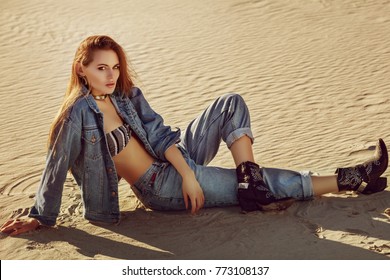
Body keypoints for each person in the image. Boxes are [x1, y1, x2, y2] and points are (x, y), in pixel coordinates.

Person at [1, 35, 388, 237]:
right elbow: (55, 167)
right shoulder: (78, 115)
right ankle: (350, 178)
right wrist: (40, 216)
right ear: (81, 70)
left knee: (229, 103)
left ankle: (248, 179)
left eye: (115, 66)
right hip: (159, 186)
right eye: (102, 68)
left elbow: (157, 131)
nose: (111, 75)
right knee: (272, 181)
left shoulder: (125, 94)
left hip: (174, 161)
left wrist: (187, 170)